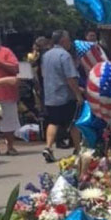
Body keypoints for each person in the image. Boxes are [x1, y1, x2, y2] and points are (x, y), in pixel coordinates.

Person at [41, 30, 83, 162]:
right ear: (63, 41)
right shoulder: (64, 56)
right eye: (68, 39)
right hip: (65, 95)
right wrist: (78, 94)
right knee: (72, 122)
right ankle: (78, 148)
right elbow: (70, 77)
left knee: (53, 122)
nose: (70, 42)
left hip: (50, 95)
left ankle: (48, 147)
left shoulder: (46, 55)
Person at [0, 31, 20, 155]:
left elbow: (15, 68)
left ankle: (10, 146)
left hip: (5, 93)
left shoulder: (6, 52)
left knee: (8, 120)